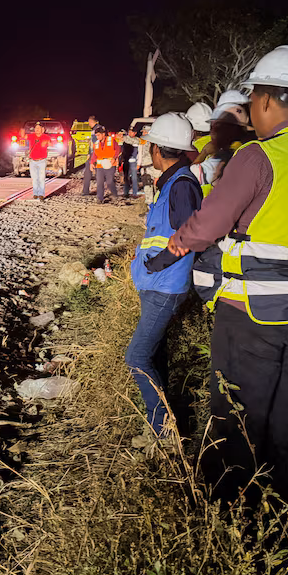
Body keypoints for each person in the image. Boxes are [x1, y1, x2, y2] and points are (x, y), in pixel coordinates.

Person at [167, 45, 288, 492]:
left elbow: (208, 224)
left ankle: (231, 500)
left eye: (253, 98)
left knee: (237, 412)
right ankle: (285, 496)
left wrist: (180, 241)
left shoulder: (259, 156)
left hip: (251, 312)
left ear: (267, 99)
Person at [125, 114, 203, 445]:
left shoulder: (181, 185)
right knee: (153, 354)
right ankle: (164, 422)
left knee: (136, 356)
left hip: (165, 285)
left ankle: (163, 431)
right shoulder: (174, 182)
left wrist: (156, 264)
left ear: (157, 149)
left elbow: (190, 234)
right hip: (157, 284)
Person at [92, 125, 119, 204]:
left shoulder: (111, 140)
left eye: (98, 135)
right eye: (96, 135)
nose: (97, 137)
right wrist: (92, 163)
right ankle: (100, 198)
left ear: (103, 134)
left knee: (109, 181)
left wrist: (114, 158)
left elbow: (118, 149)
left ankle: (115, 194)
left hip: (110, 165)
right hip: (100, 166)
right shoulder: (96, 143)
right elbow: (94, 154)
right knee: (99, 182)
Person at [25, 121, 51, 199]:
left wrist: (46, 142)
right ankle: (35, 193)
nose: (37, 129)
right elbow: (23, 136)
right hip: (32, 161)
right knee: (34, 178)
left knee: (41, 178)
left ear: (42, 129)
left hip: (42, 161)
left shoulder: (46, 137)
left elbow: (50, 144)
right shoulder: (31, 136)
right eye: (36, 128)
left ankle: (41, 194)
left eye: (38, 128)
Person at [121, 126, 144, 198]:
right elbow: (122, 151)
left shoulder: (138, 141)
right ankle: (126, 192)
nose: (130, 133)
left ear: (135, 133)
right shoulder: (124, 139)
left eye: (132, 132)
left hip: (134, 162)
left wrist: (139, 163)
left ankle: (135, 193)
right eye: (129, 131)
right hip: (126, 161)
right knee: (126, 177)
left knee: (134, 178)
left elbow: (140, 152)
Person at [81, 116, 99, 196]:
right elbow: (91, 143)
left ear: (92, 121)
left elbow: (94, 144)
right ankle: (97, 191)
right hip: (94, 153)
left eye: (89, 122)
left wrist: (91, 154)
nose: (88, 124)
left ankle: (86, 191)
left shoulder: (97, 130)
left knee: (90, 172)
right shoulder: (95, 129)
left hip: (96, 153)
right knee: (95, 172)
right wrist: (89, 153)